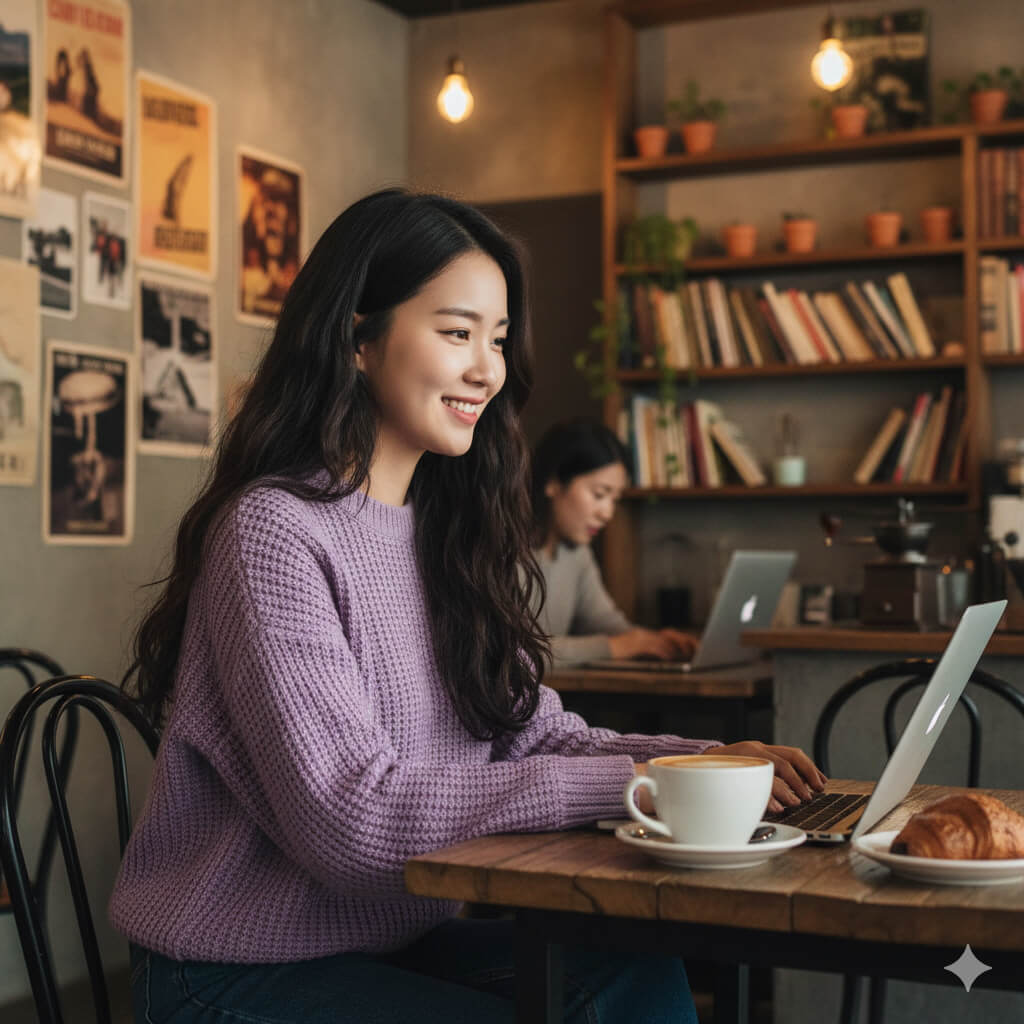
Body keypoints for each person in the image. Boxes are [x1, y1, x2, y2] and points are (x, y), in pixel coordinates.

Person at [111, 188, 825, 1024]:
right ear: (357, 341)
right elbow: (352, 818)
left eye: (495, 337)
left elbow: (532, 731)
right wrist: (630, 786)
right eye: (457, 333)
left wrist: (706, 764)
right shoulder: (274, 533)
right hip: (227, 969)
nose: (488, 368)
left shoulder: (443, 534)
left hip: (379, 945)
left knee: (630, 968)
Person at [531, 418, 696, 668]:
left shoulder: (575, 553)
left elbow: (605, 623)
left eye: (614, 499)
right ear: (553, 483)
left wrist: (655, 641)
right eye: (599, 494)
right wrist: (617, 647)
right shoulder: (499, 550)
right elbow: (513, 652)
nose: (607, 513)